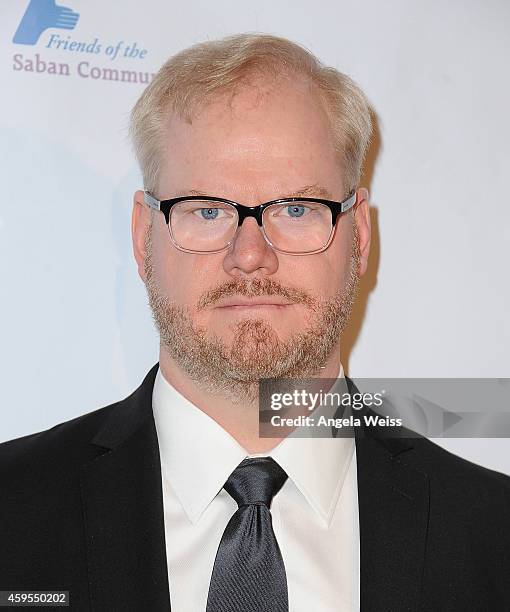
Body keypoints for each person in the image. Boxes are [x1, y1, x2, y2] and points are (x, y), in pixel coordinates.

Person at [1, 33, 509, 612]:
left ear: (359, 239)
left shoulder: (493, 537)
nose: (250, 255)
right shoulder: (11, 513)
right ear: (145, 237)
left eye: (296, 209)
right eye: (208, 210)